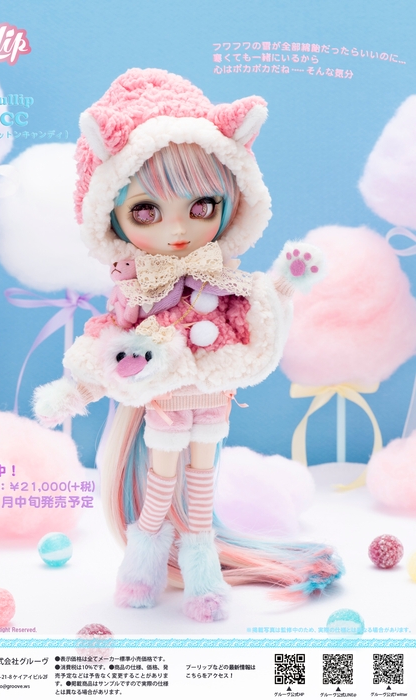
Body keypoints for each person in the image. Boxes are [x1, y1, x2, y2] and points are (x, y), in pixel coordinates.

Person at [34, 68, 340, 622]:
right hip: (166, 400)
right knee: (161, 479)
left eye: (202, 207)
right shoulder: (139, 289)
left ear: (233, 202)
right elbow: (108, 338)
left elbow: (256, 316)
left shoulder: (224, 280)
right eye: (145, 210)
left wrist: (284, 285)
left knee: (201, 485)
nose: (178, 231)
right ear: (108, 215)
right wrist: (76, 386)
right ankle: (143, 564)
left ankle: (202, 569)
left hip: (213, 397)